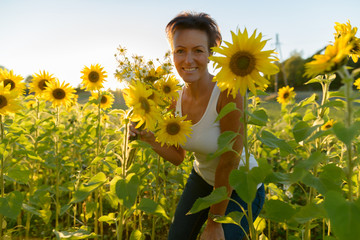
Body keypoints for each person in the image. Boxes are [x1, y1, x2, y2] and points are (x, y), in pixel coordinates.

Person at [129, 11, 265, 240]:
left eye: (198, 51)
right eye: (180, 51)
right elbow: (178, 156)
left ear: (212, 53)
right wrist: (148, 137)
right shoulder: (176, 98)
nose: (188, 60)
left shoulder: (229, 93)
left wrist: (215, 221)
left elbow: (230, 160)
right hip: (202, 178)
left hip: (241, 185)